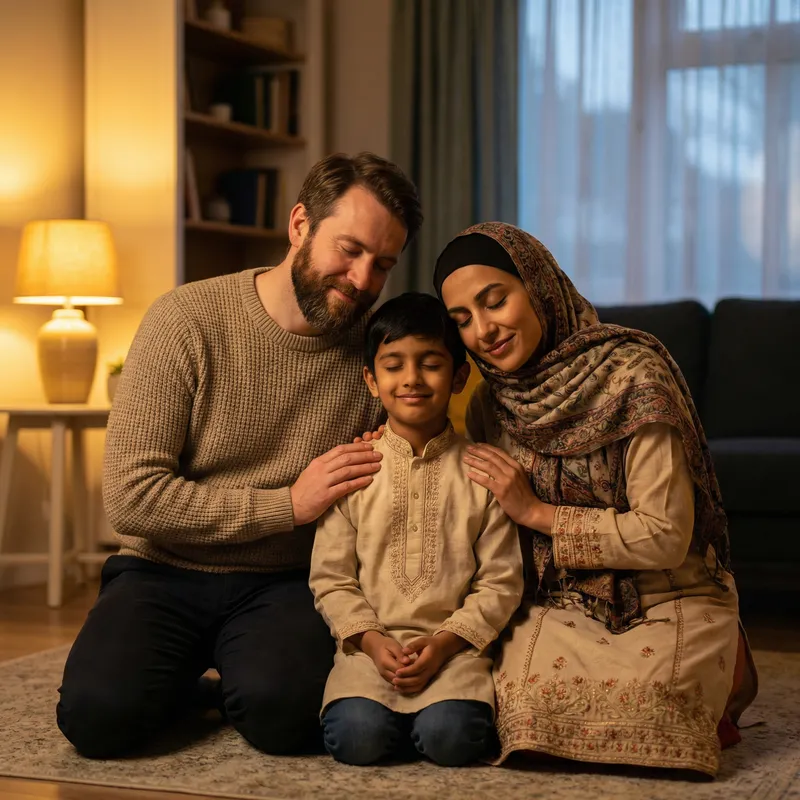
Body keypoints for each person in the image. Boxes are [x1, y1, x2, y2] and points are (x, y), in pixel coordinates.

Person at [55, 152, 422, 758]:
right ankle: (194, 680)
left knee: (290, 719)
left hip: (284, 580)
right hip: (162, 570)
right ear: (300, 224)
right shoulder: (185, 321)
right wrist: (288, 505)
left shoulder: (377, 356)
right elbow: (130, 497)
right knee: (97, 720)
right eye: (349, 250)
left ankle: (235, 676)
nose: (361, 279)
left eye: (382, 264)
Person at [433, 222, 758, 778]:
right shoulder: (491, 402)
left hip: (666, 590)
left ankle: (729, 663)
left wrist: (537, 513)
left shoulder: (634, 376)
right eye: (463, 320)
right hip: (562, 601)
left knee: (655, 705)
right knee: (521, 710)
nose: (484, 330)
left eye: (495, 301)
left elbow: (666, 535)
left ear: (536, 286)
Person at [309, 292, 524, 767]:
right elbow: (331, 577)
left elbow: (501, 581)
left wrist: (445, 643)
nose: (411, 379)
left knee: (453, 740)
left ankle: (426, 721)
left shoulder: (481, 471)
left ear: (459, 376)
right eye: (393, 365)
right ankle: (389, 718)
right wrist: (369, 641)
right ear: (371, 379)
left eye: (430, 364)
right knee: (356, 740)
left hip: (456, 656)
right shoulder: (354, 469)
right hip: (368, 656)